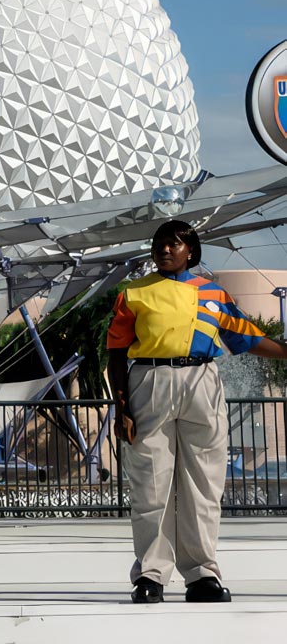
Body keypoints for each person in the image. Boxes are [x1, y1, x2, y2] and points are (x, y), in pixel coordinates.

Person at [106, 219, 287, 605]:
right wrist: (121, 406)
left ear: (192, 250)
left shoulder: (213, 294)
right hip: (150, 380)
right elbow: (116, 354)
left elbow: (246, 338)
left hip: (201, 381)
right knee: (151, 484)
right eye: (159, 244)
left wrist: (285, 350)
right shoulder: (133, 294)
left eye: (174, 244)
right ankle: (151, 574)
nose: (165, 250)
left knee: (203, 484)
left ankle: (201, 573)